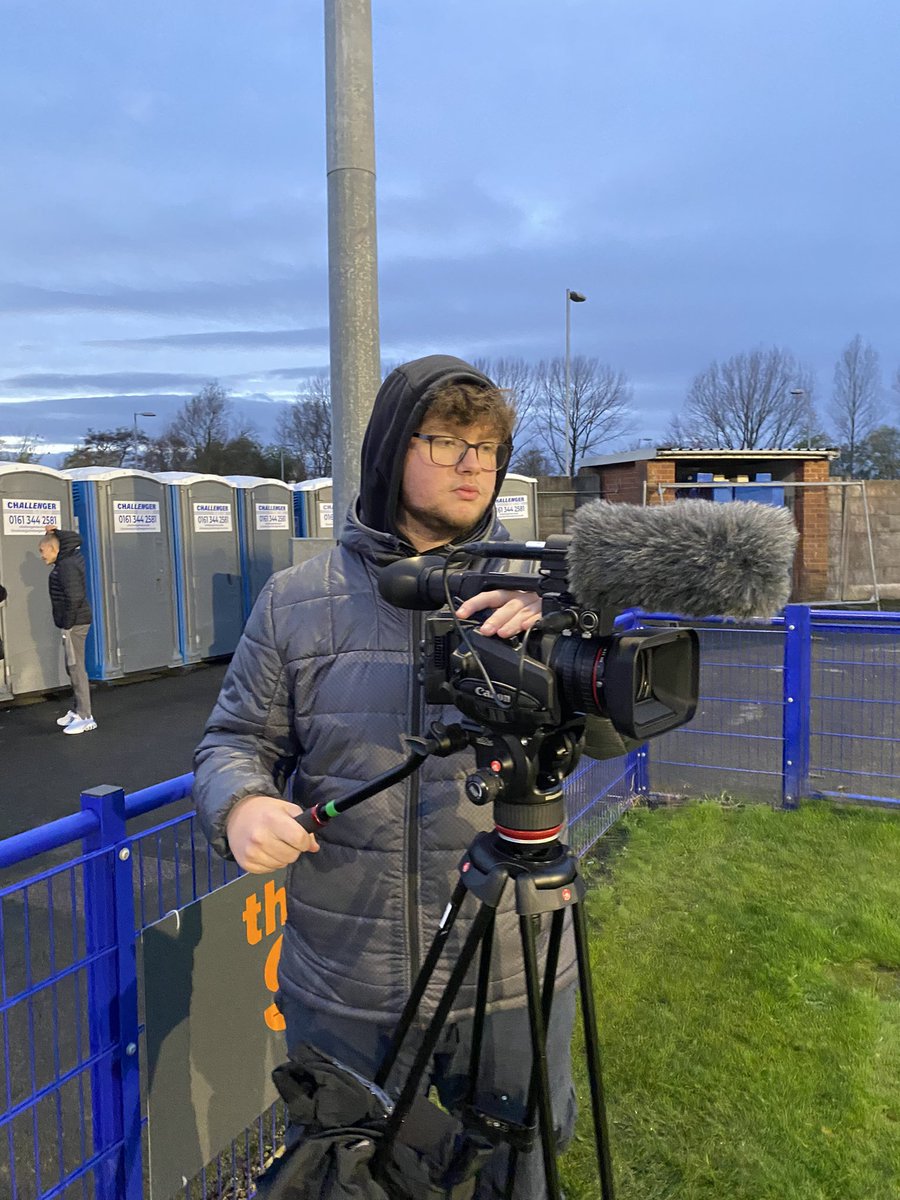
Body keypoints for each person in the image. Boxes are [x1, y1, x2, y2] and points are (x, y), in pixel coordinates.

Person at [194, 355, 578, 1198]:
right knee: (345, 1179)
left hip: (508, 974)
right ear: (389, 451)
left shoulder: (535, 598)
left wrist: (563, 636)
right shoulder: (296, 601)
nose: (473, 464)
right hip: (345, 984)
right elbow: (233, 741)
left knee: (518, 1180)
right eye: (446, 441)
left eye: (488, 446)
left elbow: (611, 736)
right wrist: (241, 805)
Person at [39, 527, 96, 734]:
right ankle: (77, 710)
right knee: (72, 666)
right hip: (76, 622)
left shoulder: (66, 566)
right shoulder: (69, 557)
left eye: (42, 550)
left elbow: (74, 597)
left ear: (53, 549)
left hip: (75, 624)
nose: (41, 555)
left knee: (76, 668)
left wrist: (68, 624)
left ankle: (85, 716)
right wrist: (56, 531)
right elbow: (71, 538)